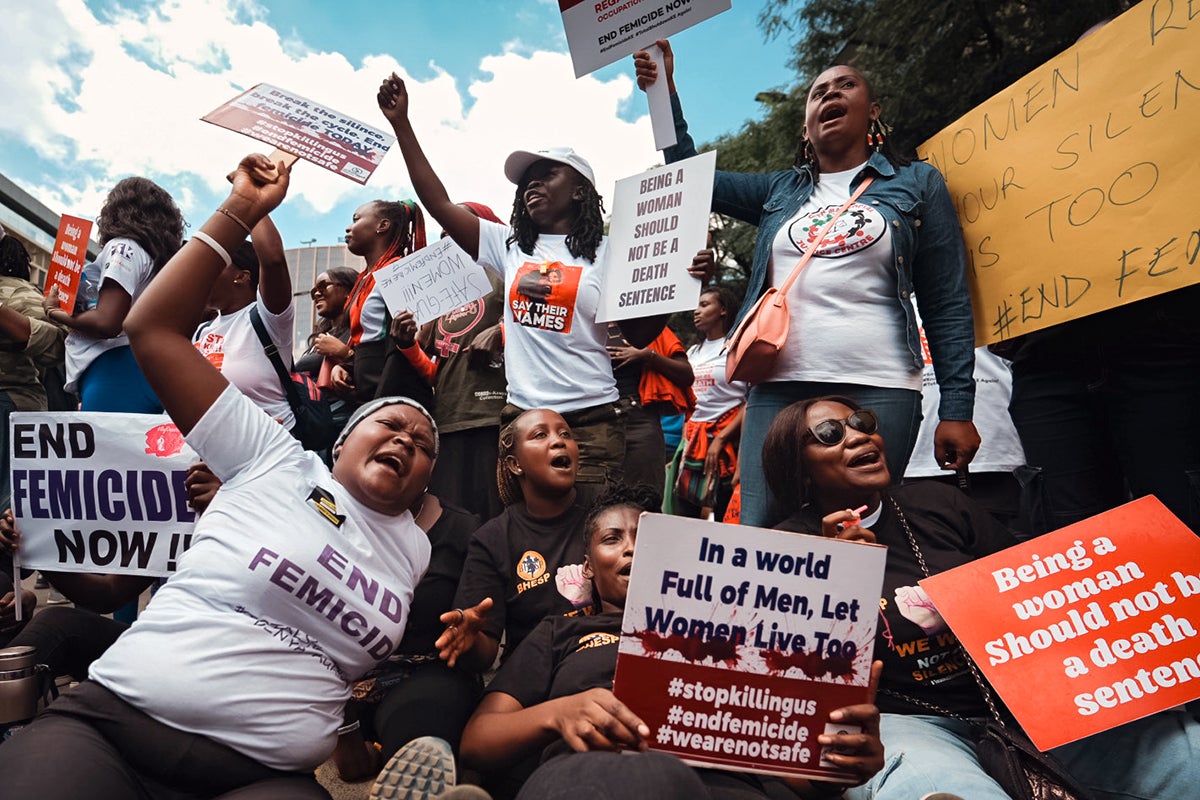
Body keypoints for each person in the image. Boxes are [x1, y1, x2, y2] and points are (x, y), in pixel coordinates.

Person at [0, 153, 433, 800]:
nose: (405, 436)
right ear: (336, 447)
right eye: (389, 423)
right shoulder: (270, 463)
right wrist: (39, 541)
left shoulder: (417, 549)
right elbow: (107, 585)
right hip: (117, 728)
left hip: (259, 776)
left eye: (425, 442)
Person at [761, 395, 1200, 800]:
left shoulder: (939, 503)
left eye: (861, 422)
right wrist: (831, 584)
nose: (858, 435)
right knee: (932, 787)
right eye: (830, 434)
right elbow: (789, 686)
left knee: (1186, 756)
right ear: (799, 468)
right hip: (907, 724)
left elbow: (1034, 593)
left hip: (1027, 703)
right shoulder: (782, 551)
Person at [634, 42, 979, 527]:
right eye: (818, 92)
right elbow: (690, 177)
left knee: (863, 531)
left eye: (846, 85)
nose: (830, 93)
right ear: (806, 125)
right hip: (779, 388)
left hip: (878, 386)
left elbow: (946, 301)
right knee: (761, 532)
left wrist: (958, 407)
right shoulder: (781, 192)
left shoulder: (917, 183)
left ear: (873, 111)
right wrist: (663, 90)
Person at [449, 484, 884, 800]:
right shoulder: (559, 633)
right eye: (612, 539)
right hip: (593, 774)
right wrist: (558, 713)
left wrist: (839, 765)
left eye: (645, 536)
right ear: (587, 567)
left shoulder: (736, 633)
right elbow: (477, 742)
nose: (631, 549)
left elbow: (797, 776)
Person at [376, 72, 676, 488]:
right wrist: (401, 124)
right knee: (529, 545)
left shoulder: (613, 253)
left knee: (587, 537)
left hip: (592, 421)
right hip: (522, 422)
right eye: (526, 179)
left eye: (548, 173)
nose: (532, 182)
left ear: (580, 191)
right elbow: (439, 202)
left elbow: (641, 333)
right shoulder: (509, 246)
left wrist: (676, 285)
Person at [439, 410, 596, 676]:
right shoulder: (493, 538)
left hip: (601, 661)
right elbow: (486, 653)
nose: (559, 441)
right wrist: (472, 638)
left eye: (565, 434)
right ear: (514, 464)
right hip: (534, 674)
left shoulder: (605, 512)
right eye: (540, 435)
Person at [45, 176, 183, 413]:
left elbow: (107, 323)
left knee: (106, 449)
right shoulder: (155, 260)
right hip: (145, 367)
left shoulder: (122, 247)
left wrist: (55, 312)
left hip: (114, 369)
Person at [192, 215, 295, 430]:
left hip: (270, 448)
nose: (201, 272)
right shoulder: (202, 331)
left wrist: (253, 200)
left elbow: (273, 259)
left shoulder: (268, 317)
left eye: (213, 264)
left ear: (241, 276)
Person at [329, 198, 431, 408]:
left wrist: (381, 403)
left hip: (396, 393)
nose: (348, 227)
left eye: (356, 219)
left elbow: (400, 342)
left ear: (382, 226)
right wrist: (347, 367)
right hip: (370, 392)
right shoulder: (364, 278)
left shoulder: (400, 272)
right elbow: (364, 336)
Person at [0, 233, 66, 509]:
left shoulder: (16, 291)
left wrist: (8, 320)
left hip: (9, 405)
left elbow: (59, 346)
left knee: (12, 513)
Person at [672, 285, 746, 521]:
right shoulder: (693, 351)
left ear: (723, 310)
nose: (697, 311)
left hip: (726, 445)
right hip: (693, 441)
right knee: (685, 511)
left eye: (704, 305)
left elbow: (751, 400)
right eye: (696, 305)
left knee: (724, 511)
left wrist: (722, 438)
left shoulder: (736, 348)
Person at [295, 266, 358, 380]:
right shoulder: (321, 336)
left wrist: (344, 353)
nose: (317, 294)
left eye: (323, 287)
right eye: (314, 291)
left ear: (348, 291)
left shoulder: (359, 331)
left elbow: (372, 372)